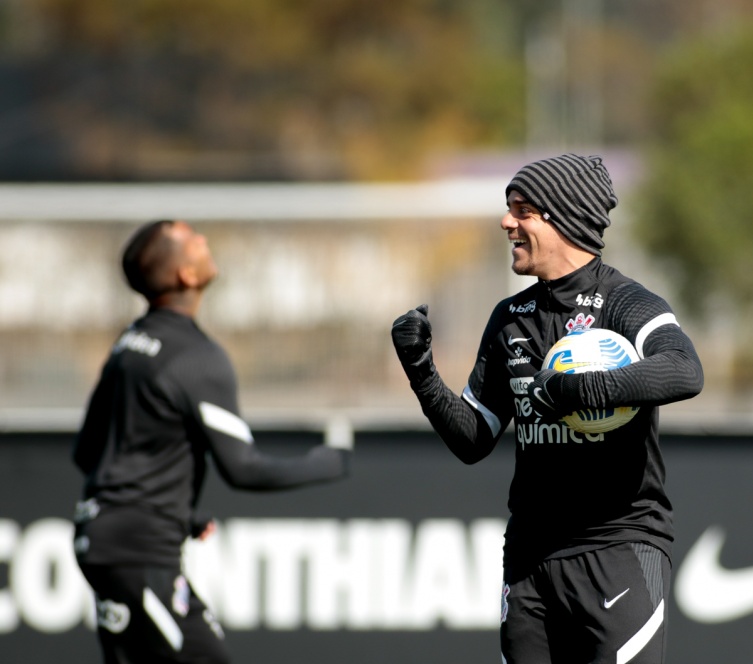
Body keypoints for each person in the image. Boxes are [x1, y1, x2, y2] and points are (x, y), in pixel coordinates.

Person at [391, 154, 703, 664]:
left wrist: (579, 391)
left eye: (522, 210)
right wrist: (421, 371)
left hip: (618, 549)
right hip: (531, 559)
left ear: (560, 217)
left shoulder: (627, 302)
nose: (505, 221)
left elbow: (685, 370)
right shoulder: (511, 317)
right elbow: (473, 438)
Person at [72, 219, 351, 664]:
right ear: (184, 275)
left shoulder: (130, 342)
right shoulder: (197, 357)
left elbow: (88, 451)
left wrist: (175, 510)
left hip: (106, 539)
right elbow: (244, 469)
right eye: (190, 239)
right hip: (138, 551)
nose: (203, 240)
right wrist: (331, 461)